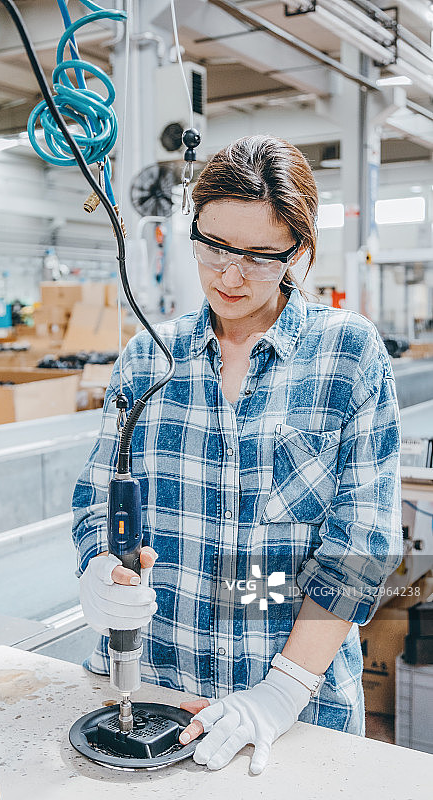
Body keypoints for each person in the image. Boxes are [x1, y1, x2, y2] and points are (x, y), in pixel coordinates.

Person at [72, 135, 403, 774]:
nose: (230, 275)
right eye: (215, 247)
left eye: (257, 256)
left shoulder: (347, 356)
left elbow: (361, 546)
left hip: (296, 716)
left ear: (298, 251)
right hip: (152, 696)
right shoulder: (148, 359)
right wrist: (97, 570)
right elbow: (96, 502)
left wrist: (281, 691)